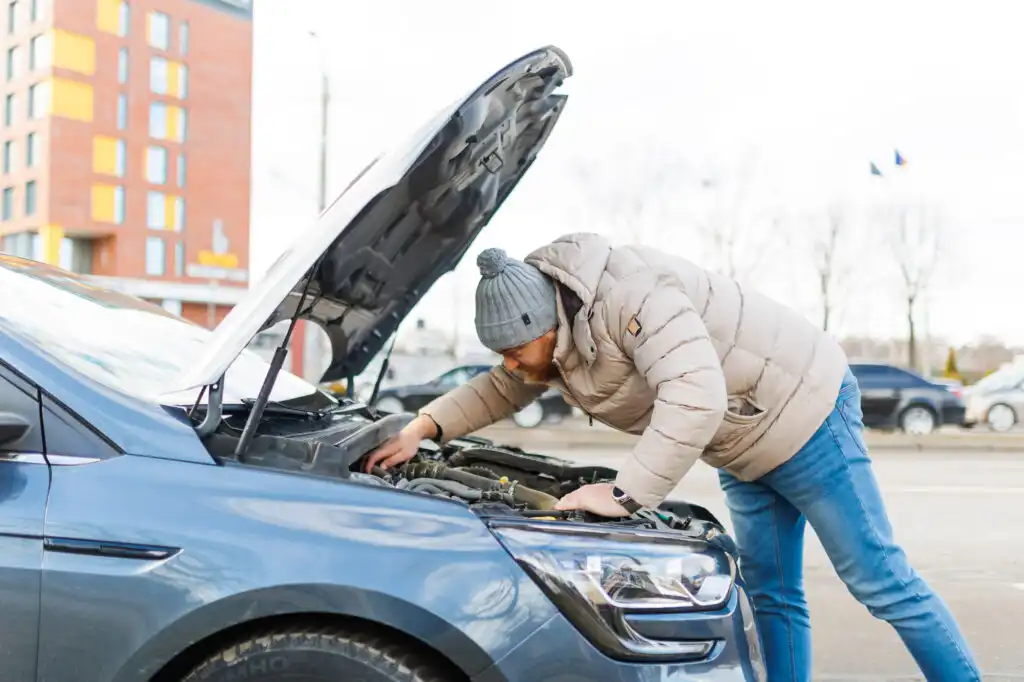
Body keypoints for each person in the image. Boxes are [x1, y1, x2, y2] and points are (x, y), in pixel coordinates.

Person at [363, 232, 980, 681]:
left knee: (881, 582)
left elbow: (696, 394)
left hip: (807, 411)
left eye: (517, 349)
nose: (513, 365)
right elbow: (502, 387)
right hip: (742, 443)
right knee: (771, 593)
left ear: (547, 319)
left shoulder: (631, 299)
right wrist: (425, 426)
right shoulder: (551, 337)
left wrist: (625, 493)